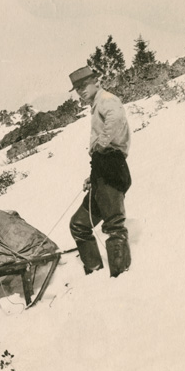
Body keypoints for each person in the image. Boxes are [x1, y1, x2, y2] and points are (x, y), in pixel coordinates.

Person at [67, 66, 132, 277]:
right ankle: (94, 274)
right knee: (79, 225)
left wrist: (102, 144)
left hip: (112, 167)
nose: (80, 91)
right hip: (102, 171)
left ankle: (121, 276)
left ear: (96, 81)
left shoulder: (107, 99)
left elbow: (116, 119)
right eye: (76, 88)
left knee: (114, 225)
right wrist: (92, 177)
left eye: (83, 85)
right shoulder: (96, 105)